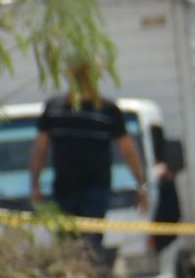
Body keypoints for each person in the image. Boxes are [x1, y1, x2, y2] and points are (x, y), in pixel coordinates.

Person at [29, 61, 147, 267]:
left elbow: (127, 150)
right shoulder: (55, 108)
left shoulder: (107, 110)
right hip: (64, 189)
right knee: (67, 247)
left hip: (96, 189)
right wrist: (34, 184)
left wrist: (141, 185)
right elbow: (40, 149)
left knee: (90, 245)